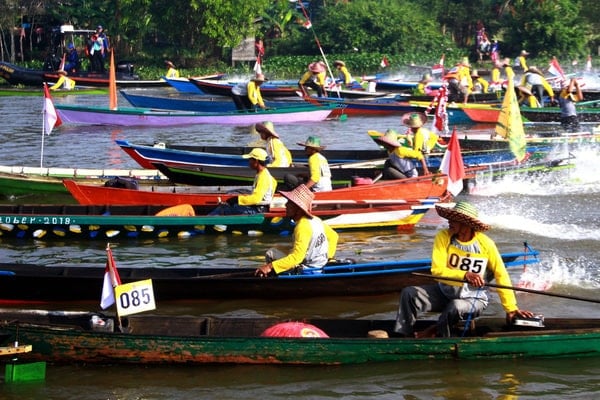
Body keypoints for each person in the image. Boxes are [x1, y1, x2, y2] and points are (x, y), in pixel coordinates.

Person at [393, 201, 536, 338]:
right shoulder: (443, 237)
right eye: (449, 218)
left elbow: (501, 275)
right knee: (409, 293)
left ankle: (441, 336)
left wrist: (510, 308)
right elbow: (437, 271)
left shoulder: (486, 244)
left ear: (466, 223)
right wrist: (465, 275)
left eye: (454, 220)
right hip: (445, 293)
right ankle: (404, 335)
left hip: (474, 299)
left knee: (456, 306)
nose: (449, 222)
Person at [255, 184, 338, 277]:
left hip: (309, 268)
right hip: (320, 263)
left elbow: (297, 257)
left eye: (289, 203)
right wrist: (328, 258)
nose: (286, 205)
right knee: (278, 247)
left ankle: (275, 277)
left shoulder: (302, 227)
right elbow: (334, 236)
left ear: (298, 209)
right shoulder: (315, 220)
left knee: (271, 253)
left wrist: (270, 266)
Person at [209, 148, 277, 216]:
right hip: (257, 207)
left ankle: (202, 224)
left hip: (258, 210)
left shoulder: (263, 176)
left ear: (256, 161)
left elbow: (256, 198)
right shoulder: (262, 174)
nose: (249, 161)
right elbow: (274, 183)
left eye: (250, 159)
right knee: (231, 206)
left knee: (223, 209)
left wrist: (237, 199)